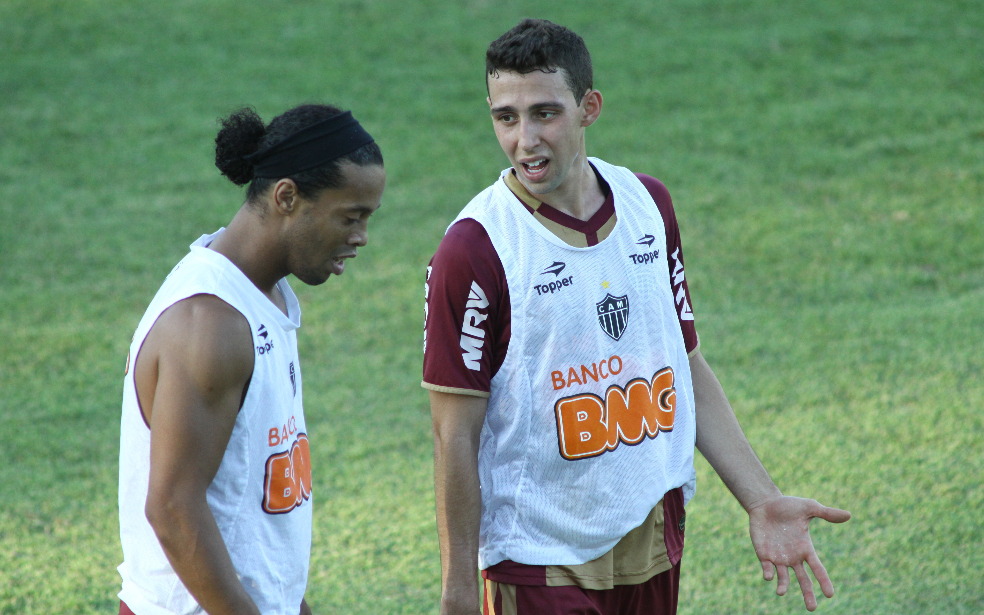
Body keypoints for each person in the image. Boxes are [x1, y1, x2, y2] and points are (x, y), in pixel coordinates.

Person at [422, 19, 850, 615]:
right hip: (538, 559)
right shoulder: (474, 249)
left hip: (652, 538)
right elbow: (453, 432)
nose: (525, 139)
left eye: (545, 113)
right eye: (506, 118)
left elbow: (686, 365)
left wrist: (761, 498)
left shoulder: (649, 206)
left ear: (588, 107)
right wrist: (458, 593)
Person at [117, 104, 385, 615]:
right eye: (351, 216)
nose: (361, 237)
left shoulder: (267, 297)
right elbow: (173, 508)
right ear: (287, 196)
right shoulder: (211, 325)